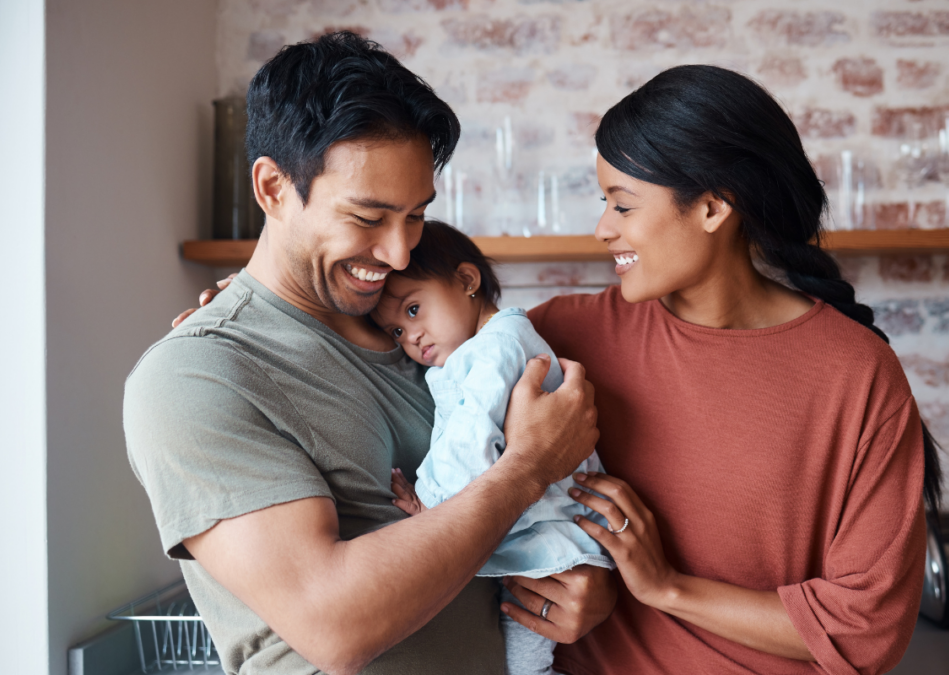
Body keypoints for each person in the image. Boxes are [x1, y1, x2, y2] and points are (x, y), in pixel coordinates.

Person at [178, 62, 942, 674]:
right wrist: (239, 315)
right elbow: (406, 355)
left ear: (714, 207)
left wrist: (663, 586)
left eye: (623, 203)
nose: (603, 228)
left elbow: (866, 630)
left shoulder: (855, 374)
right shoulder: (557, 338)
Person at [125, 33, 615, 675]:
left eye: (415, 215)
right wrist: (526, 469)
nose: (398, 253)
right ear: (273, 188)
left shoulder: (422, 336)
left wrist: (587, 587)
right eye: (367, 217)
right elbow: (336, 625)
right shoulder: (196, 375)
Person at [370, 219, 615, 675]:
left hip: (549, 542)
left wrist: (431, 509)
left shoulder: (493, 350)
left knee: (526, 666)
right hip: (543, 532)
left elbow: (472, 440)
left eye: (413, 310)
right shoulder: (486, 346)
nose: (411, 337)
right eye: (395, 333)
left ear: (467, 281)